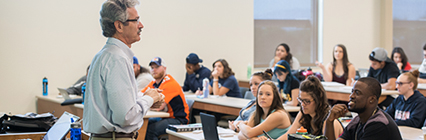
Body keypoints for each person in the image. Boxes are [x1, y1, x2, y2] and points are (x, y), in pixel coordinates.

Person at [83, 0, 164, 139]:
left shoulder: (105, 55)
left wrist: (145, 97)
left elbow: (117, 102)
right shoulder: (117, 59)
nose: (141, 25)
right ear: (119, 26)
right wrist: (149, 99)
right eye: (136, 20)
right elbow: (126, 117)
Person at [324, 77, 402, 140]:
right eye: (352, 92)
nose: (351, 96)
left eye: (357, 93)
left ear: (372, 99)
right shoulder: (357, 121)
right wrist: (329, 121)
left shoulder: (379, 125)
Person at [277, 76, 343, 140]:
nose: (302, 104)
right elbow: (288, 135)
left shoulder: (330, 121)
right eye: (301, 100)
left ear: (318, 100)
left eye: (307, 101)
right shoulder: (303, 113)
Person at [141, 57, 190, 140]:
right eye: (152, 68)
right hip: (166, 117)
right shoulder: (154, 83)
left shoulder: (169, 83)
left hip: (178, 120)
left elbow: (159, 107)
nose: (154, 70)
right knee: (142, 124)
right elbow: (140, 94)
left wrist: (145, 102)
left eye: (157, 67)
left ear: (164, 68)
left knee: (151, 130)